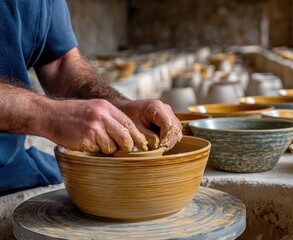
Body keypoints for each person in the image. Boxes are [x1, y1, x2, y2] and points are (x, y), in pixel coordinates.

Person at [0, 0, 182, 195]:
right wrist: (50, 116)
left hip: (13, 165)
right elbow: (51, 112)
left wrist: (121, 107)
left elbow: (61, 63)